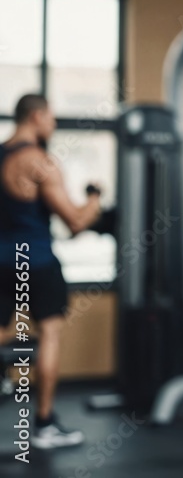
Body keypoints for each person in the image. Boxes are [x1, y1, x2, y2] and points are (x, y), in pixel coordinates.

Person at [0, 94, 100, 449]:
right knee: (50, 334)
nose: (54, 124)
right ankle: (43, 425)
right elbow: (74, 222)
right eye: (51, 117)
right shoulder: (40, 162)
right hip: (36, 260)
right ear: (37, 116)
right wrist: (94, 199)